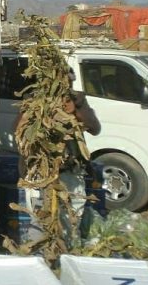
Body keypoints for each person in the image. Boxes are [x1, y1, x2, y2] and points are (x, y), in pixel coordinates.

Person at [16, 67, 101, 248]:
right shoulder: (34, 100)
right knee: (40, 219)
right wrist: (32, 116)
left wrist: (75, 112)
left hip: (70, 171)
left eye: (69, 81)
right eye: (62, 81)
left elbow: (95, 127)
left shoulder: (77, 100)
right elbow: (19, 130)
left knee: (71, 219)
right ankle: (41, 253)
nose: (66, 85)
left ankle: (66, 252)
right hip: (41, 172)